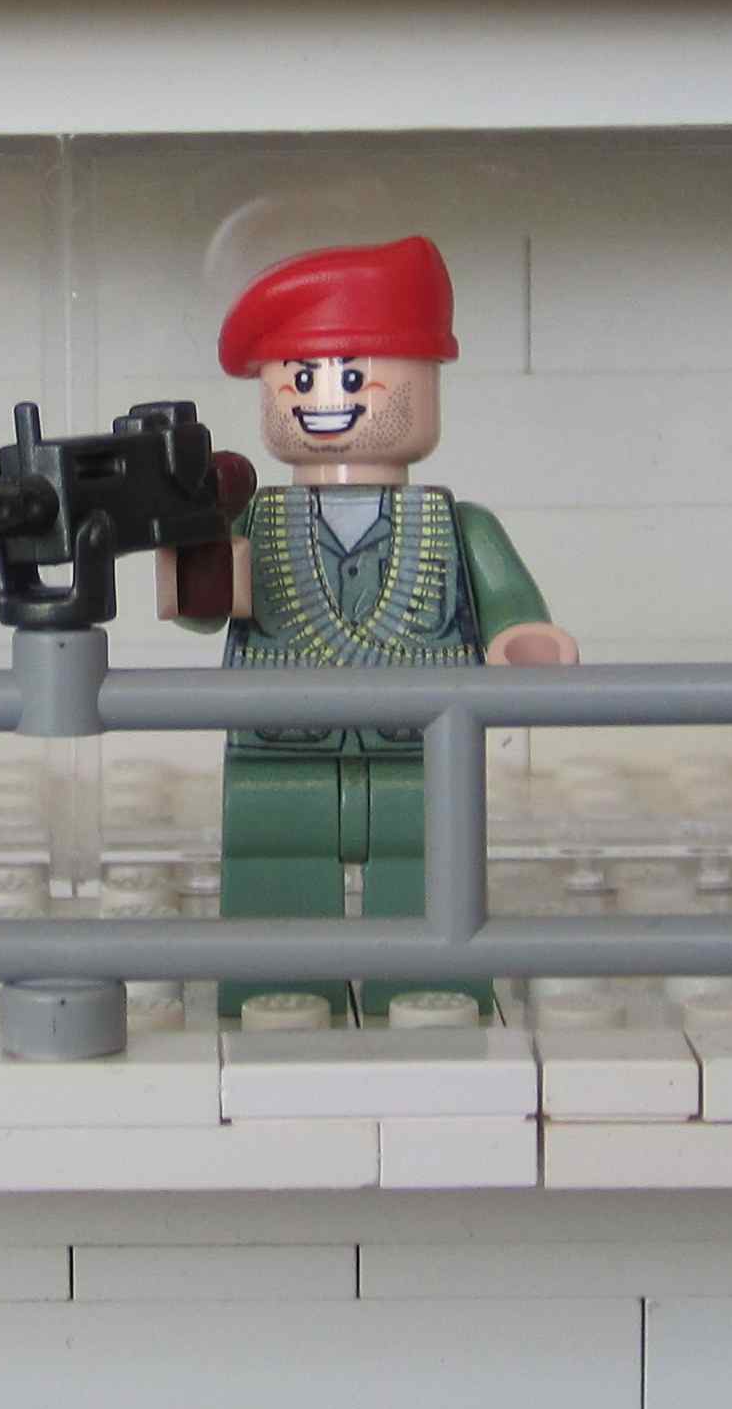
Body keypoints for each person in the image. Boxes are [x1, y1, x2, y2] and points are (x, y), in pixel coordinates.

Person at [161, 236, 573, 1020]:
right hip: (277, 745)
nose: (323, 397)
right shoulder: (252, 519)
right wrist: (186, 548)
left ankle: (430, 988)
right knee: (272, 858)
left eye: (354, 377)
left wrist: (522, 640)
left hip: (424, 747)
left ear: (427, 382)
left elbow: (511, 605)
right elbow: (204, 610)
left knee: (430, 863)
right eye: (300, 377)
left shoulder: (458, 526)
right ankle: (278, 990)